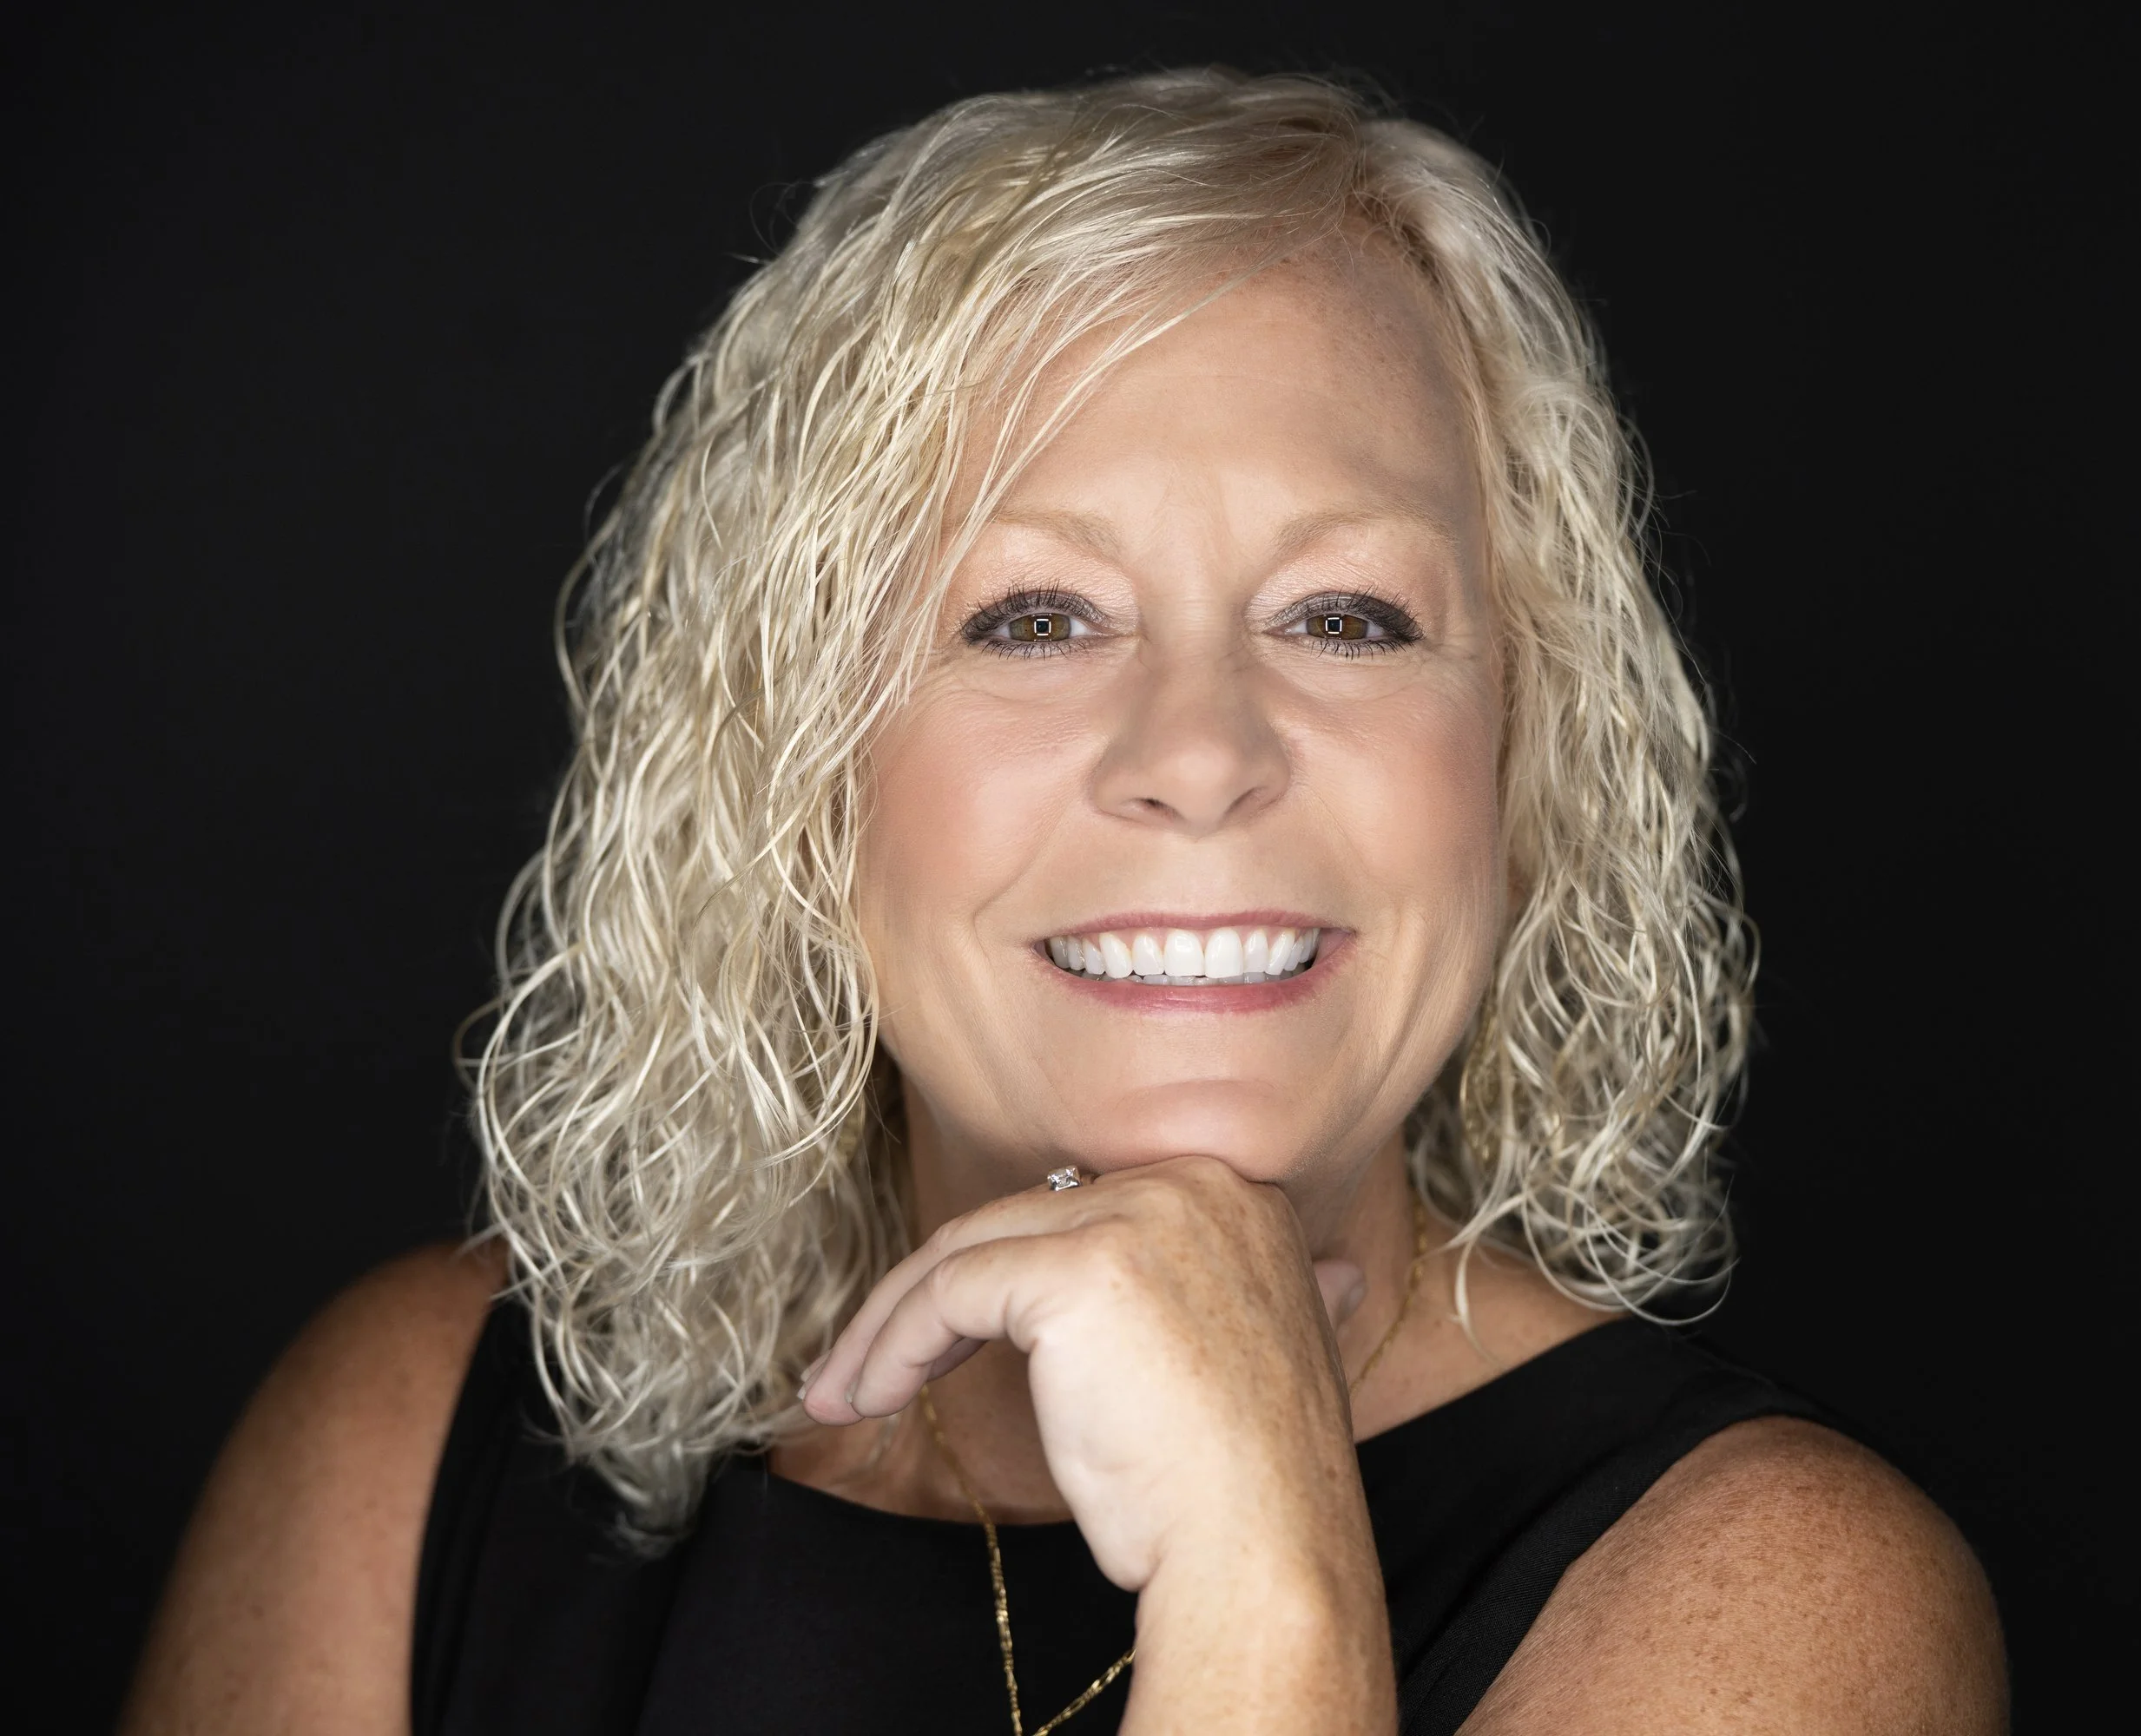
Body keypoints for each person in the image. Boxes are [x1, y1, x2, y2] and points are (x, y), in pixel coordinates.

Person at [121, 69, 2006, 1734]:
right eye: (1034, 616)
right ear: (801, 766)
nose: (1199, 750)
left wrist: (1263, 1579)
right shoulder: (407, 1441)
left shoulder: (1780, 1598)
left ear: (1521, 755)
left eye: (1344, 615)